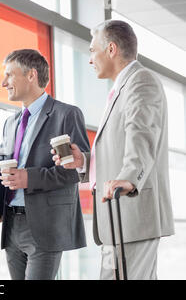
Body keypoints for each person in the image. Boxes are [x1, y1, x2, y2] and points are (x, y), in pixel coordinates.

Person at [52, 20, 175, 279]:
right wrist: (83, 161)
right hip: (118, 219)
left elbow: (142, 133)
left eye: (91, 50)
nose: (89, 59)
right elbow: (117, 145)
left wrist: (129, 179)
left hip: (131, 213)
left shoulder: (141, 81)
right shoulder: (121, 87)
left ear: (111, 49)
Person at [0, 49, 90, 280]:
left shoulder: (66, 114)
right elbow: (2, 166)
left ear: (31, 75)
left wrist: (28, 178)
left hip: (46, 226)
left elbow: (74, 173)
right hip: (12, 224)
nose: (4, 83)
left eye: (9, 75)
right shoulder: (11, 122)